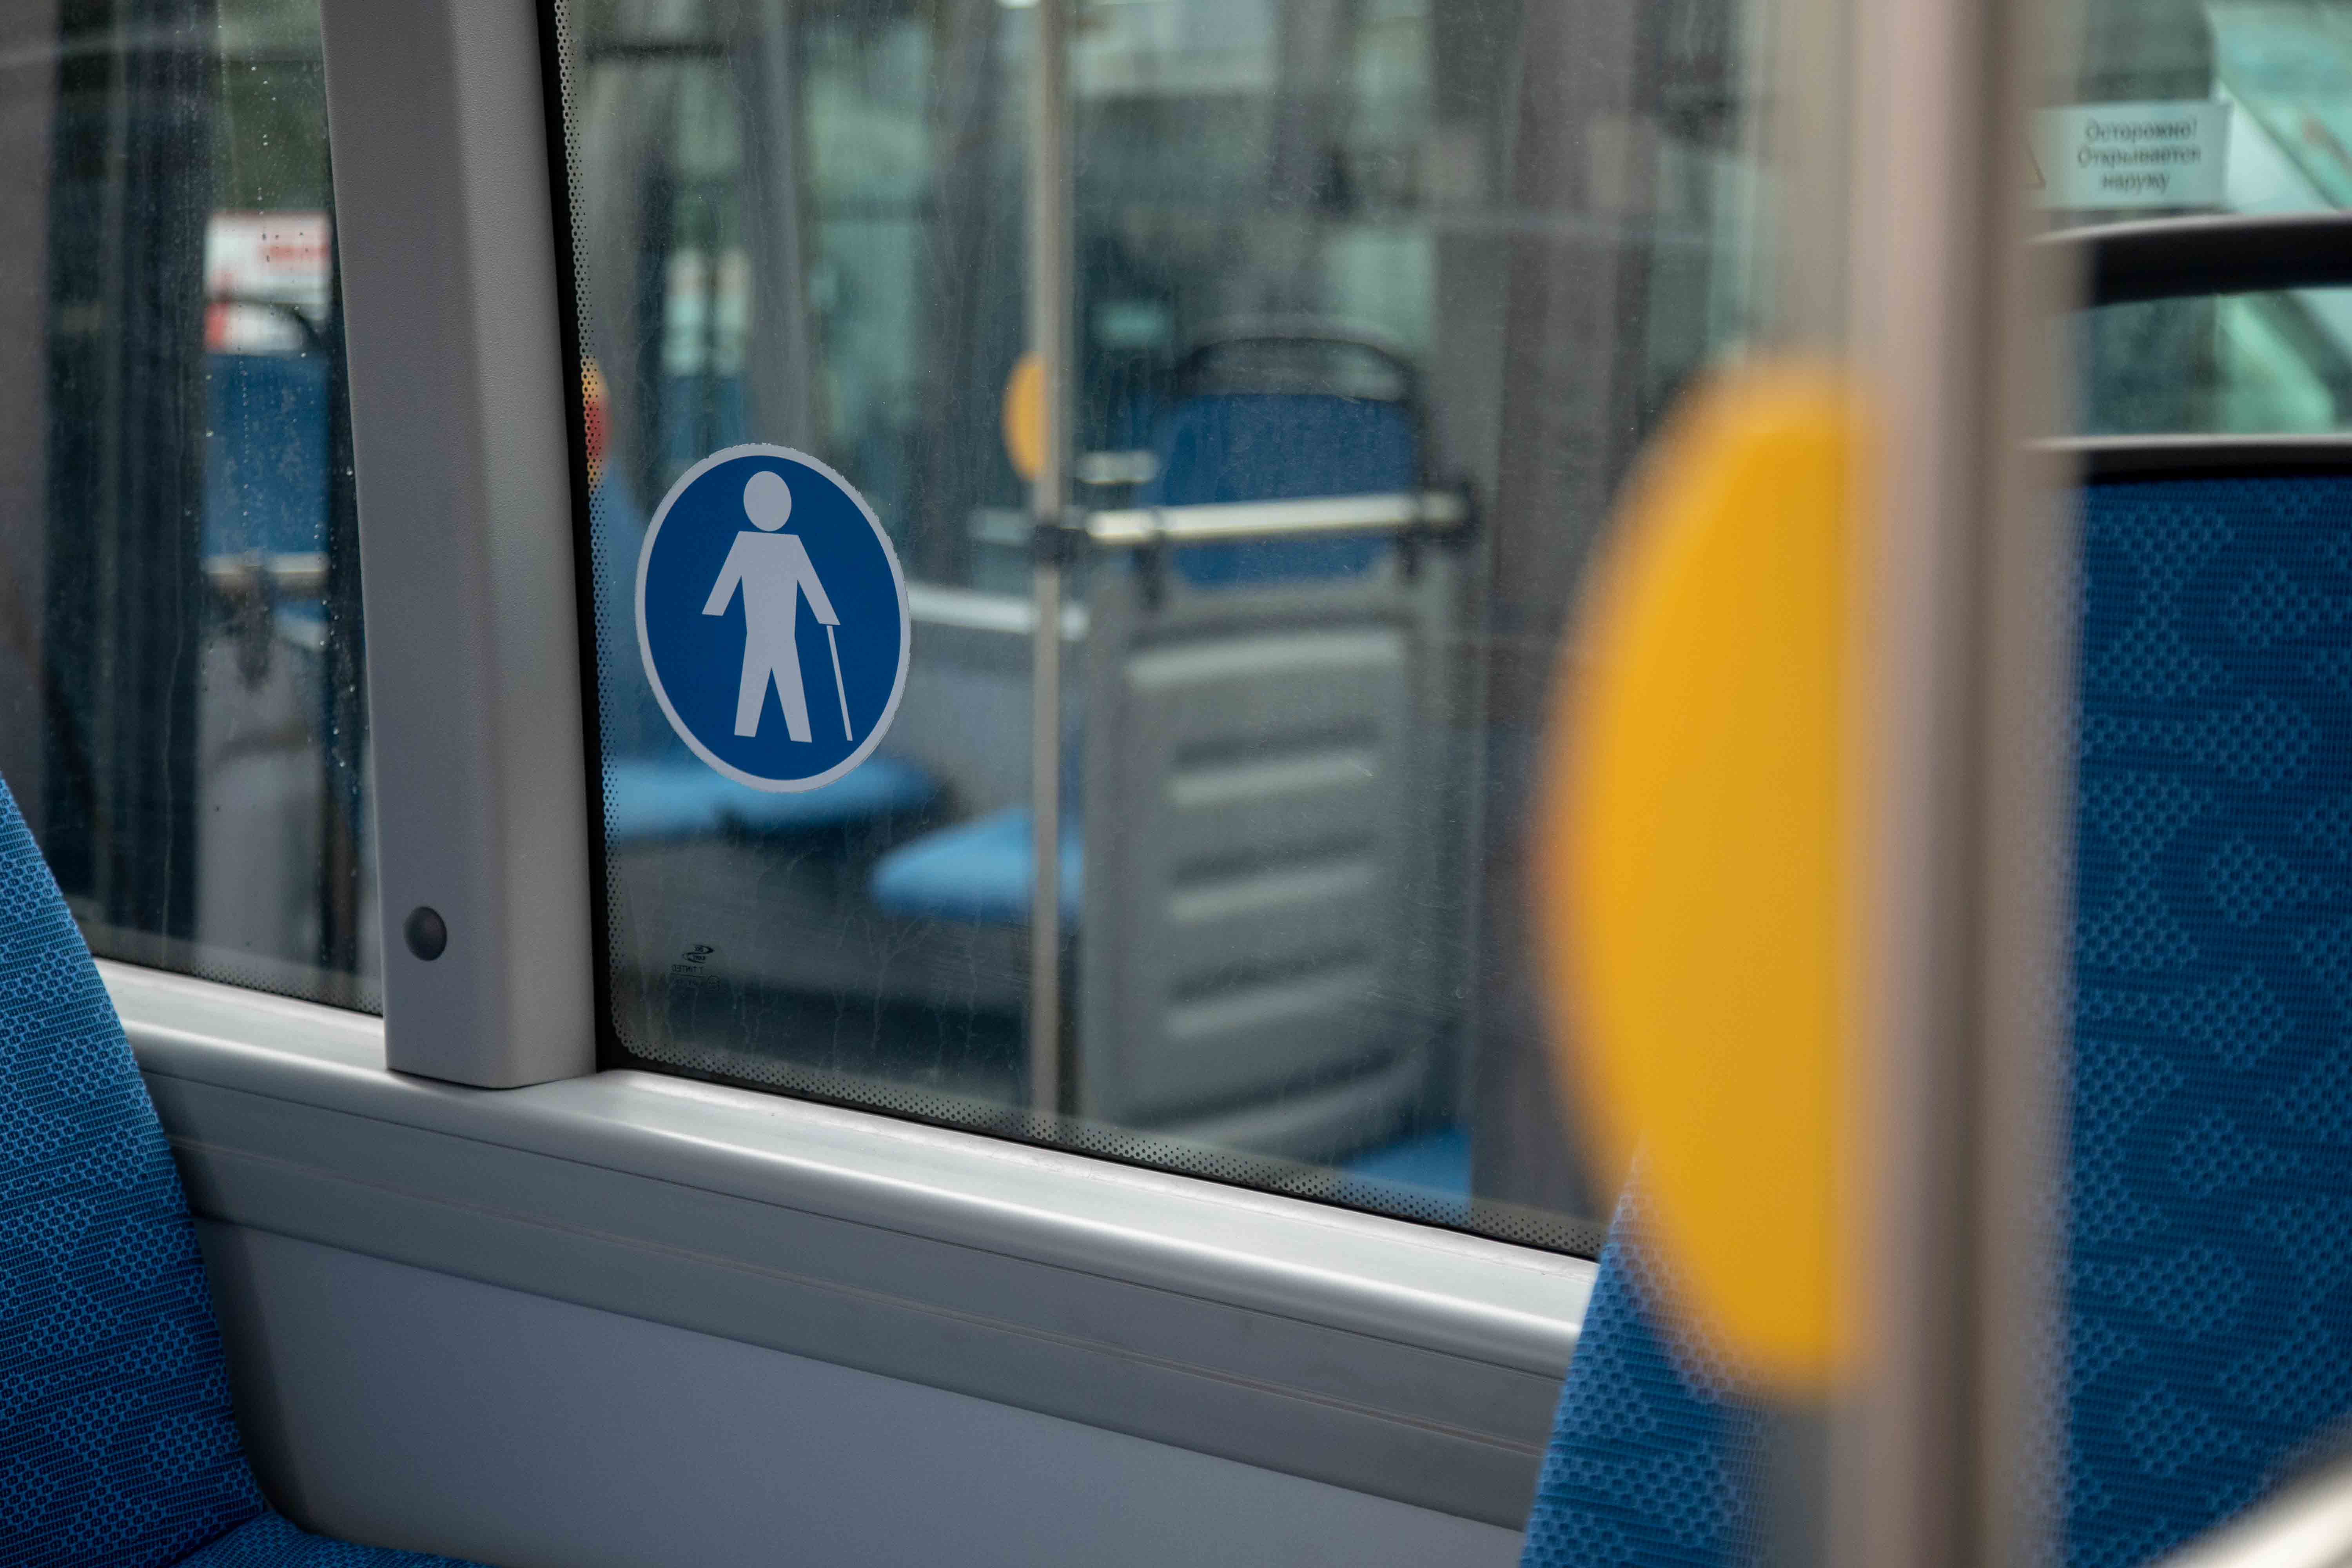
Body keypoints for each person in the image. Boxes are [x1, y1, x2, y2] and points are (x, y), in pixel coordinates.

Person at [703, 470, 842, 742]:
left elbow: (811, 585)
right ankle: (751, 740)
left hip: (783, 637)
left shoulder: (790, 546)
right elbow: (724, 588)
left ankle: (798, 740)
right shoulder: (746, 544)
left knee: (789, 692)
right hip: (758, 636)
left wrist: (826, 614)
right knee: (753, 694)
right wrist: (713, 612)